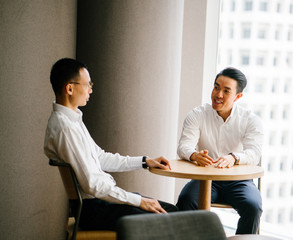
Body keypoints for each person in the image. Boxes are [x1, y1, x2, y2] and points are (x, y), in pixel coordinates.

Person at [44, 58, 178, 230]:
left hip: (102, 203)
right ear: (70, 88)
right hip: (93, 210)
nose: (91, 90)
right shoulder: (65, 128)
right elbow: (92, 185)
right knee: (167, 220)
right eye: (88, 84)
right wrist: (138, 200)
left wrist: (145, 161)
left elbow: (101, 158)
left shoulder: (73, 120)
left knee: (172, 211)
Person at [176, 67, 263, 234]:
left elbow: (254, 153)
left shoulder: (251, 120)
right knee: (186, 200)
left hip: (239, 180)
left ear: (238, 96)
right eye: (216, 87)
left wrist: (233, 158)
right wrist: (194, 155)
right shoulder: (197, 115)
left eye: (226, 91)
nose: (218, 94)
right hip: (206, 179)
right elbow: (183, 147)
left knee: (253, 207)